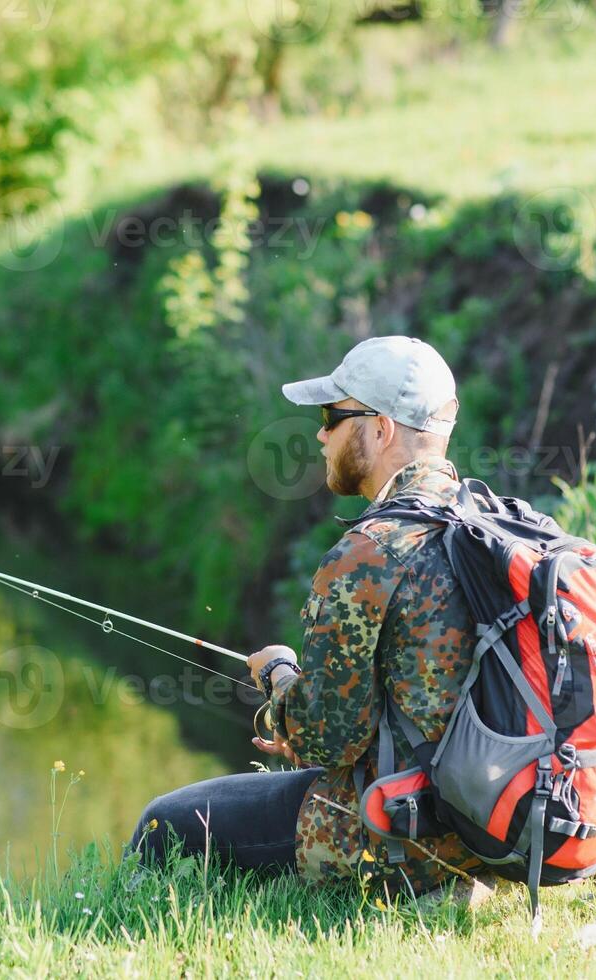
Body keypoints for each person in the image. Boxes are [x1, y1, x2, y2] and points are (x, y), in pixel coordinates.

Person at [127, 336, 480, 896]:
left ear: (381, 429)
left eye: (332, 416)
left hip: (410, 831)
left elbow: (324, 740)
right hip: (507, 814)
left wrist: (279, 677)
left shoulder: (371, 552)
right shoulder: (487, 525)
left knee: (163, 823)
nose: (320, 434)